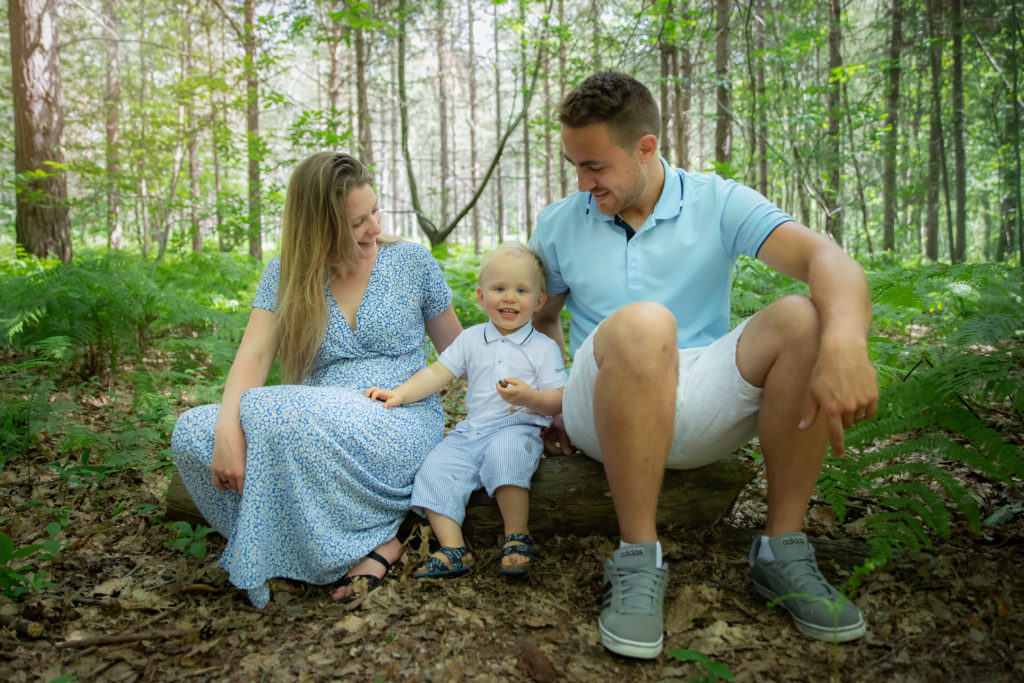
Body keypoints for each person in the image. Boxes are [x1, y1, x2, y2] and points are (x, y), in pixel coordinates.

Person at [528, 72, 879, 658]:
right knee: (645, 323)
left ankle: (782, 550)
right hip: (603, 400)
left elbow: (826, 258)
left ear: (645, 147)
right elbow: (541, 321)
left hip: (703, 397)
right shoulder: (560, 223)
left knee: (804, 317)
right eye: (575, 166)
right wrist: (550, 403)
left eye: (595, 166)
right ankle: (637, 560)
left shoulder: (717, 201)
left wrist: (846, 343)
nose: (583, 183)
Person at [171, 152, 462, 608]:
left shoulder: (411, 262)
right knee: (193, 431)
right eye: (356, 222)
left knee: (270, 410)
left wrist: (518, 415)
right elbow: (253, 356)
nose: (374, 227)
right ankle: (301, 548)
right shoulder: (287, 273)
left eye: (375, 212)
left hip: (397, 417)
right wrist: (227, 432)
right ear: (319, 229)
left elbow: (462, 353)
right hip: (309, 425)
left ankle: (365, 543)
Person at [365, 242, 566, 578]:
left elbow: (559, 397)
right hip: (471, 431)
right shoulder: (471, 339)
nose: (509, 297)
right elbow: (436, 373)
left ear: (539, 301)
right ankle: (453, 548)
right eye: (499, 289)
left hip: (517, 427)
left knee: (506, 456)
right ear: (481, 296)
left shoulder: (542, 347)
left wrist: (530, 398)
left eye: (521, 290)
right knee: (434, 470)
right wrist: (400, 394)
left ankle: (517, 536)